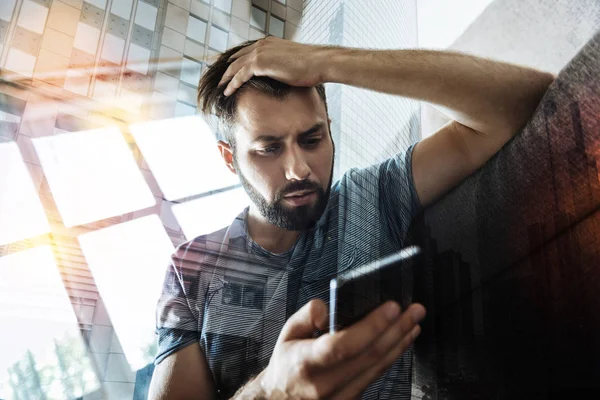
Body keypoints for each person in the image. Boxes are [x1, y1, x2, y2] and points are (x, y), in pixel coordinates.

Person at [148, 36, 554, 399]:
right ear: (229, 158)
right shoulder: (191, 270)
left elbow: (525, 100)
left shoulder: (370, 195)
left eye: (312, 139)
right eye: (268, 149)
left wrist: (329, 62)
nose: (299, 169)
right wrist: (272, 391)